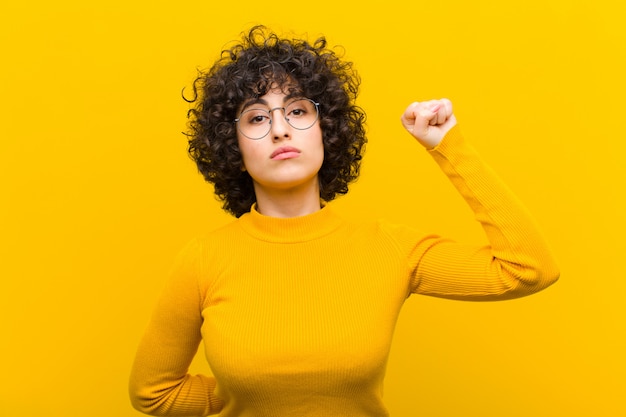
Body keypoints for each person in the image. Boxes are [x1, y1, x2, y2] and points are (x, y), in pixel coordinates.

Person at [128, 26, 559, 417]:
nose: (280, 129)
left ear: (326, 129)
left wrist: (447, 145)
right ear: (232, 147)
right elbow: (153, 392)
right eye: (257, 117)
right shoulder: (203, 260)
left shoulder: (388, 248)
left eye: (297, 111)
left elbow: (528, 269)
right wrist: (243, 395)